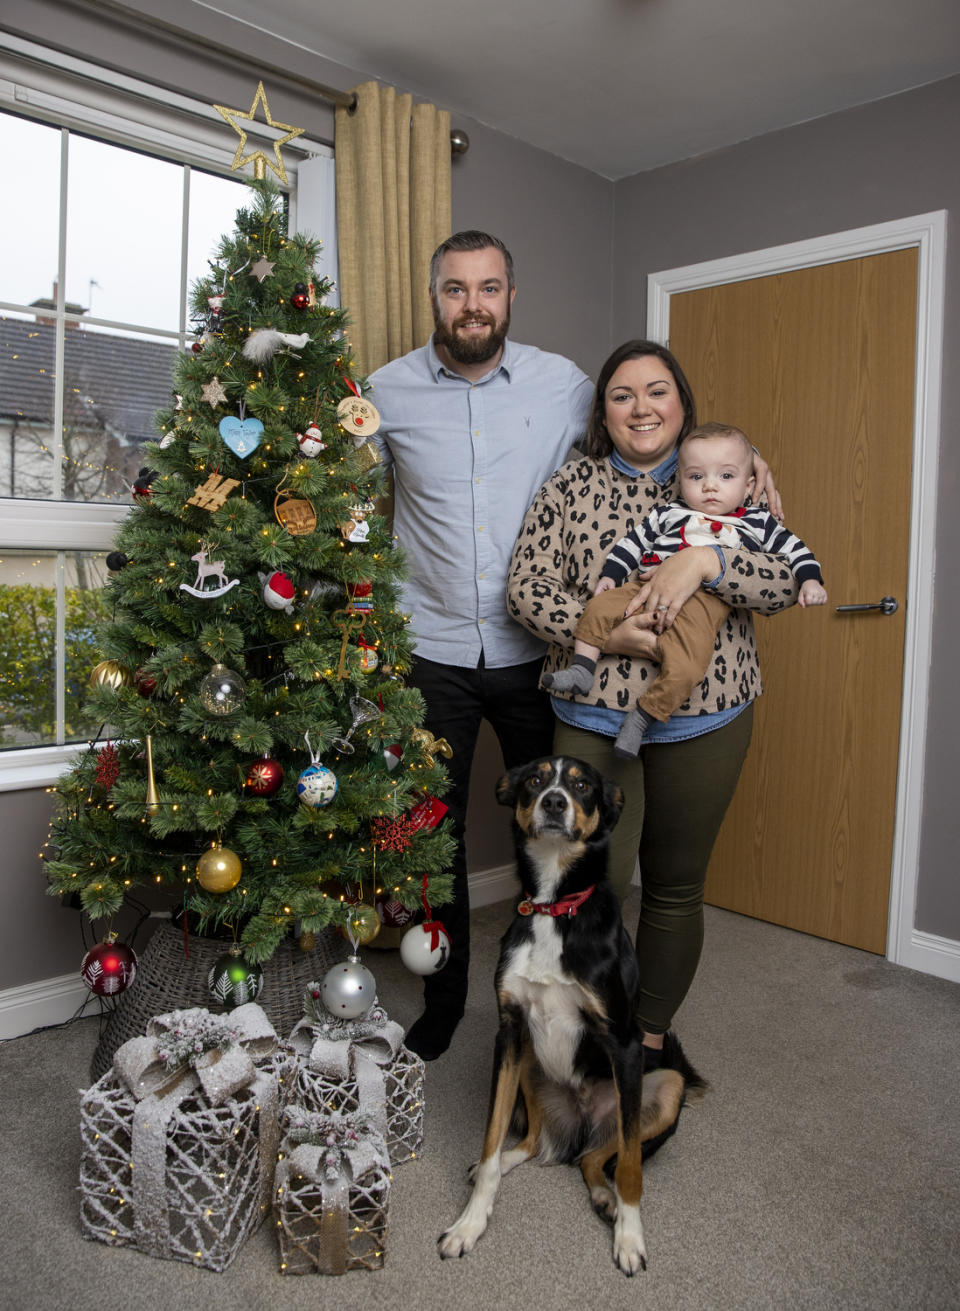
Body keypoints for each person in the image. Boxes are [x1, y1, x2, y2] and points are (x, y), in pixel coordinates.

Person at [506, 340, 799, 1070]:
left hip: (708, 716)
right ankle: (576, 1038)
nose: (642, 407)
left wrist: (708, 558)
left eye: (658, 390)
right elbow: (525, 588)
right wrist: (603, 626)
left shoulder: (728, 479)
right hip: (594, 719)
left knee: (674, 886)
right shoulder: (568, 489)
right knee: (586, 890)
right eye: (623, 394)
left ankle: (649, 1040)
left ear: (682, 403)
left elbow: (781, 582)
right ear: (603, 412)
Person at [367, 231, 595, 1060]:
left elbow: (648, 446)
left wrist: (747, 475)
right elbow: (337, 496)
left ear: (510, 295)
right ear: (436, 296)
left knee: (552, 833)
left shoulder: (563, 385)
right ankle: (447, 996)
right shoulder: (385, 390)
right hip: (430, 651)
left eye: (489, 288)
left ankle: (558, 988)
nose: (474, 304)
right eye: (457, 289)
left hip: (539, 653)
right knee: (435, 834)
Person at [543, 420, 826, 757]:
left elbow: (796, 552)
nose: (710, 487)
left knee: (688, 667)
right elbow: (632, 543)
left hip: (700, 605)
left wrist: (810, 580)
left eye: (725, 477)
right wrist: (611, 574)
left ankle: (644, 716)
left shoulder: (757, 521)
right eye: (696, 477)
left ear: (749, 484)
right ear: (681, 480)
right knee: (598, 607)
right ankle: (582, 670)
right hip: (642, 588)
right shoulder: (668, 512)